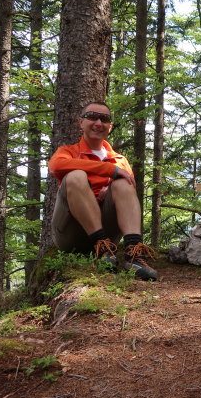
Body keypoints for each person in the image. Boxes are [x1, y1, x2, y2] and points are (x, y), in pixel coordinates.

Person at [49, 101, 158, 281]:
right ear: (81, 122)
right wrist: (110, 171)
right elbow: (56, 166)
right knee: (76, 176)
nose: (98, 123)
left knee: (124, 184)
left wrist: (111, 187)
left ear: (110, 126)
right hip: (70, 233)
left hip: (109, 236)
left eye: (104, 119)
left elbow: (128, 196)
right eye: (92, 116)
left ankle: (134, 254)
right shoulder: (67, 152)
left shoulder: (120, 160)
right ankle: (100, 245)